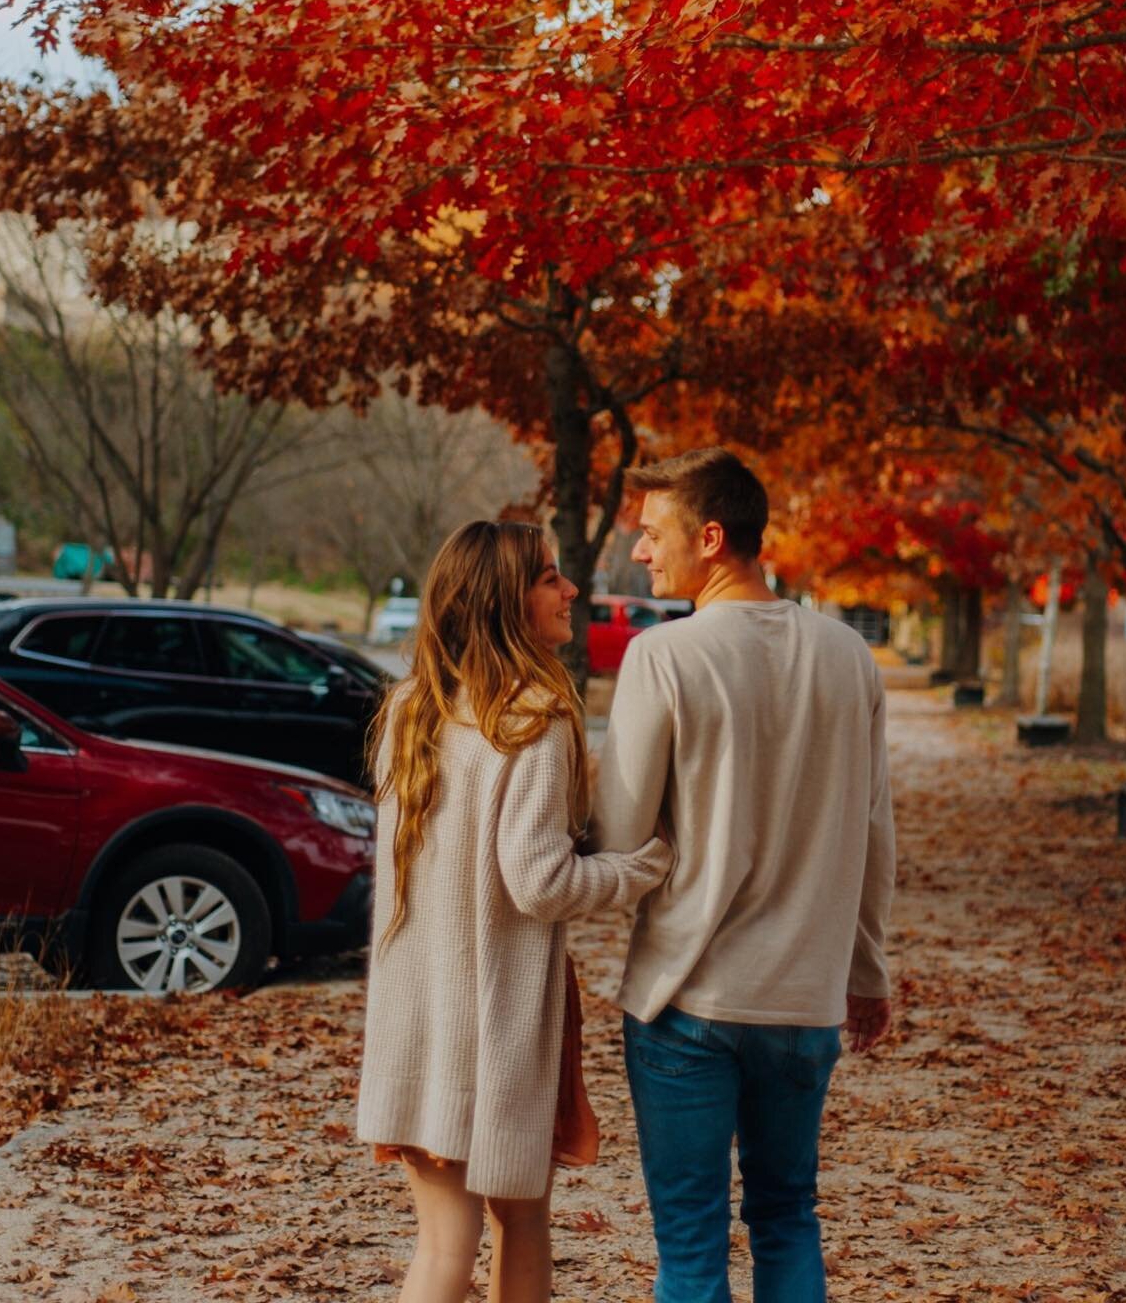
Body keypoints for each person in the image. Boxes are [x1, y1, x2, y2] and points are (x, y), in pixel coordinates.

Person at [588, 447, 896, 1303]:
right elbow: (875, 833)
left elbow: (617, 833)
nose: (642, 553)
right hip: (803, 1001)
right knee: (789, 1215)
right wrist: (867, 974)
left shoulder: (665, 657)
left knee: (690, 1249)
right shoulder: (848, 659)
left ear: (712, 537)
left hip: (690, 1000)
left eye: (654, 534)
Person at [357, 520, 672, 1303]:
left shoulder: (411, 710)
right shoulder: (535, 717)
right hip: (489, 1027)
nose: (572, 592)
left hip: (414, 1013)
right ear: (506, 602)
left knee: (453, 1239)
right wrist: (641, 867)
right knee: (493, 1232)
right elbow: (539, 883)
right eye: (550, 579)